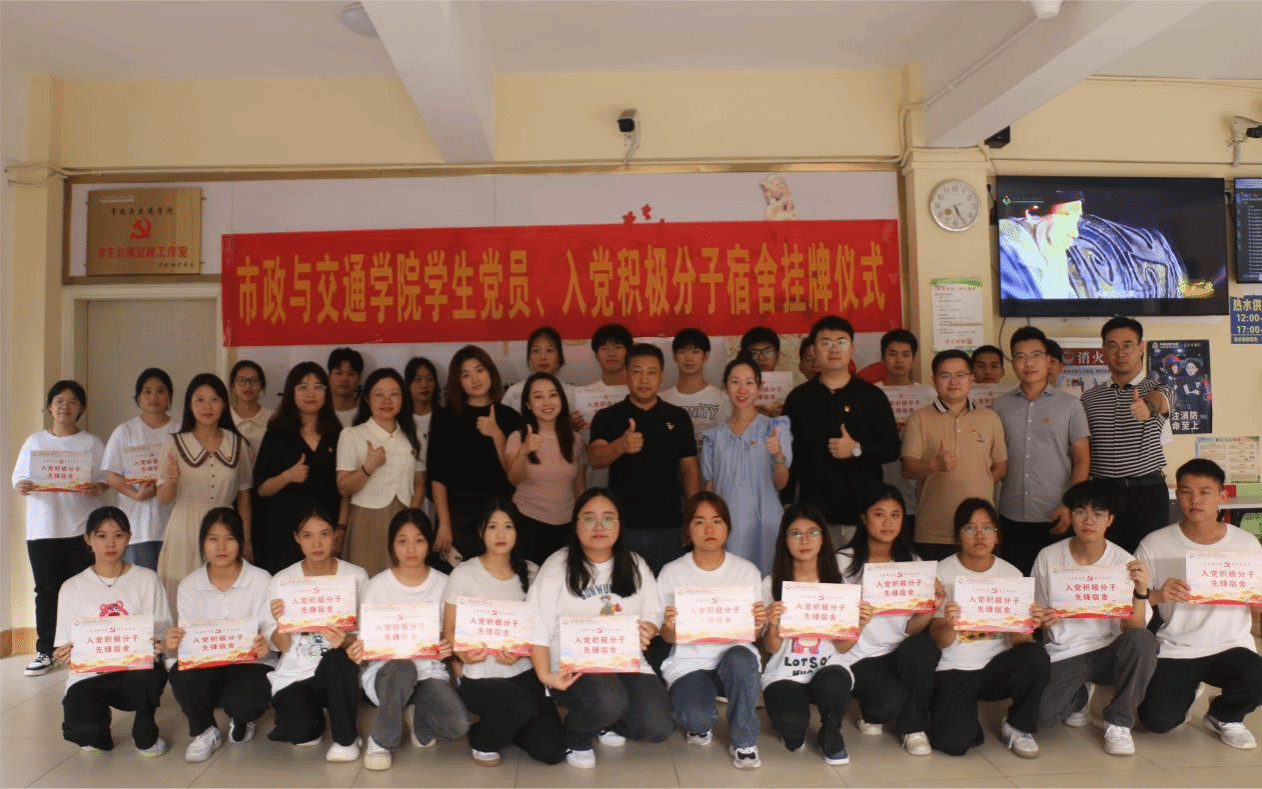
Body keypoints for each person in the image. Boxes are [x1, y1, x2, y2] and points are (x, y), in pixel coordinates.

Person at [527, 488, 673, 768]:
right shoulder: (557, 566)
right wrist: (546, 675)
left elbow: (653, 611)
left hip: (625, 661)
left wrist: (649, 628)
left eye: (607, 518)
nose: (599, 526)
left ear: (619, 524)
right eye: (589, 518)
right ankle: (577, 737)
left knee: (658, 726)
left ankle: (604, 721)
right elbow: (537, 626)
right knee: (609, 699)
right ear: (576, 525)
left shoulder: (634, 563)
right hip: (572, 665)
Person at [1136, 459, 1262, 750]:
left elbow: (1257, 608)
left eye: (1205, 492)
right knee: (1156, 722)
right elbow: (1132, 604)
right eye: (1186, 492)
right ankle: (1189, 690)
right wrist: (1156, 595)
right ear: (1177, 495)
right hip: (1178, 646)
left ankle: (1224, 716)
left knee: (1257, 677)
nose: (1195, 500)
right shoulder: (1154, 544)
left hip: (1232, 645)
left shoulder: (1247, 545)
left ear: (1222, 496)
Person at [1032, 480, 1158, 756]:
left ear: (1109, 520)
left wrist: (1140, 592)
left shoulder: (1123, 561)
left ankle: (1119, 722)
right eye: (1080, 512)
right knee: (1040, 716)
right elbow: (1035, 613)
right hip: (1066, 650)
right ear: (1070, 515)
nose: (1088, 521)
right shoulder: (1049, 556)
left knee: (1143, 641)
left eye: (1098, 514)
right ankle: (1079, 694)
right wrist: (1042, 618)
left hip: (1109, 650)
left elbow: (1134, 628)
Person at [442, 499, 566, 767]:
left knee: (552, 751)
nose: (500, 534)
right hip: (479, 674)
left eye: (508, 526)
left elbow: (544, 627)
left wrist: (523, 650)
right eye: (492, 527)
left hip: (524, 670)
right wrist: (462, 654)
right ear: (481, 532)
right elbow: (449, 630)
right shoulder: (464, 573)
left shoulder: (532, 572)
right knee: (521, 705)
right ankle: (481, 739)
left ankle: (510, 724)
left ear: (517, 531)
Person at [930, 499, 1050, 758]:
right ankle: (959, 715)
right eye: (970, 528)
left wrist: (1029, 624)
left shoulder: (1012, 574)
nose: (980, 536)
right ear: (958, 535)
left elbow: (1020, 641)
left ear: (997, 534)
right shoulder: (942, 572)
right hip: (955, 666)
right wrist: (950, 624)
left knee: (1036, 655)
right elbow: (939, 640)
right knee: (954, 744)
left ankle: (1018, 726)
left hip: (996, 666)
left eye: (987, 528)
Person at [657, 493, 766, 769]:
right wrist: (668, 626)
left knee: (742, 659)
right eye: (699, 522)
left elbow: (753, 634)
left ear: (727, 527)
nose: (709, 529)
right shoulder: (672, 572)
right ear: (687, 529)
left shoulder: (746, 571)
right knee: (696, 719)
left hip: (734, 660)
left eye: (717, 521)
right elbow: (666, 637)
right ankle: (700, 718)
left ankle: (744, 741)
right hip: (690, 663)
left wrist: (758, 623)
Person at [53, 506, 172, 756]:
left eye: (118, 535)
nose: (110, 544)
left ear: (129, 537)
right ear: (88, 539)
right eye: (101, 536)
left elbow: (162, 632)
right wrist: (65, 654)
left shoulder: (147, 579)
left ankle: (146, 731)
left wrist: (159, 644)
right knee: (86, 736)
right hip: (90, 675)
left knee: (150, 675)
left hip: (135, 673)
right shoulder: (72, 588)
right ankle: (98, 719)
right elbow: (64, 643)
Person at [836, 485, 942, 757]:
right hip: (859, 655)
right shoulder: (843, 562)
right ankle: (872, 713)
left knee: (923, 648)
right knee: (888, 704)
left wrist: (931, 606)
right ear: (864, 518)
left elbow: (910, 628)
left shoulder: (912, 562)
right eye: (879, 514)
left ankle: (914, 728)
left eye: (895, 515)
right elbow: (835, 631)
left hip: (898, 651)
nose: (888, 522)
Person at [360, 508, 468, 770]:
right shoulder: (377, 585)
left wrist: (446, 645)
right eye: (402, 541)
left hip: (428, 672)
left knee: (458, 725)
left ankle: (419, 719)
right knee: (402, 667)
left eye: (419, 540)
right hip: (387, 674)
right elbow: (367, 640)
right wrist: (359, 649)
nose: (411, 549)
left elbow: (454, 633)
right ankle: (381, 740)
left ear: (429, 543)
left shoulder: (445, 583)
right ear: (392, 545)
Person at [165, 508, 274, 762]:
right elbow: (189, 640)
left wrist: (265, 642)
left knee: (246, 701)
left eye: (229, 538)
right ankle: (205, 731)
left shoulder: (261, 579)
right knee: (180, 673)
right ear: (203, 543)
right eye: (213, 539)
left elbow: (270, 628)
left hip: (250, 663)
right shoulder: (189, 585)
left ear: (241, 541)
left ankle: (242, 718)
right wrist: (175, 642)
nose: (221, 547)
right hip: (207, 664)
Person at [13, 380, 106, 677]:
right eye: (59, 401)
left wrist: (98, 487)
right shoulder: (35, 442)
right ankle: (46, 650)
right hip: (43, 529)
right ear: (50, 407)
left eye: (72, 401)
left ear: (82, 408)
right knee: (46, 591)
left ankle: (87, 648)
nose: (65, 406)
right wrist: (23, 485)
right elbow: (18, 479)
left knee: (85, 589)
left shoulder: (92, 443)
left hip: (81, 529)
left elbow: (105, 480)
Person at [265, 504, 368, 762]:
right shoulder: (282, 581)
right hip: (297, 670)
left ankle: (346, 740)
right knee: (301, 735)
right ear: (297, 538)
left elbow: (369, 636)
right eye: (308, 536)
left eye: (324, 534)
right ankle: (318, 715)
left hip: (339, 668)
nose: (317, 543)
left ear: (336, 535)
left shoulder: (356, 576)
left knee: (336, 660)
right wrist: (280, 622)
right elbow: (282, 646)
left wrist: (346, 641)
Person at [761, 503, 858, 765]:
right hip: (785, 671)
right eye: (796, 533)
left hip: (828, 667)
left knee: (834, 682)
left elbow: (842, 647)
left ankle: (831, 733)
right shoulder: (771, 583)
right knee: (792, 730)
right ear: (784, 540)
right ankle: (793, 725)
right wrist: (773, 625)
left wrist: (859, 625)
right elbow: (771, 648)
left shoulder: (838, 583)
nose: (805, 540)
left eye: (813, 532)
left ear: (823, 538)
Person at [590, 343, 700, 572]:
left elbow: (689, 469)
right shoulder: (607, 416)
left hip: (670, 525)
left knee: (668, 589)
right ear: (626, 374)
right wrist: (620, 446)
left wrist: (692, 518)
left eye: (651, 372)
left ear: (662, 376)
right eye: (637, 372)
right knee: (624, 588)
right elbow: (595, 458)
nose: (644, 379)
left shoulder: (678, 417)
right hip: (622, 526)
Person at [783, 315, 900, 528]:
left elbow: (892, 449)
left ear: (852, 349)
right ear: (814, 350)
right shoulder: (798, 399)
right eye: (826, 343)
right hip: (814, 514)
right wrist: (787, 500)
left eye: (841, 342)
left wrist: (856, 448)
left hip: (863, 513)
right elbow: (792, 456)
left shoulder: (873, 396)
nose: (834, 349)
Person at [993, 326, 1091, 575]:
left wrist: (1071, 505)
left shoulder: (1070, 405)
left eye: (1036, 355)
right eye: (1020, 356)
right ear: (1013, 364)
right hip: (1011, 514)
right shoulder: (1000, 406)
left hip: (1057, 513)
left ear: (1049, 361)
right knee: (1017, 583)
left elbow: (1082, 459)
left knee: (1056, 585)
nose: (1029, 363)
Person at [156, 373, 253, 610]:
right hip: (185, 528)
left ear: (224, 404)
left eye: (214, 399)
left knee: (225, 594)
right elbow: (163, 499)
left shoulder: (237, 443)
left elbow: (244, 496)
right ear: (189, 405)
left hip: (225, 530)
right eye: (199, 400)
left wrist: (245, 538)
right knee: (182, 594)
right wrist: (170, 481)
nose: (207, 407)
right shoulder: (174, 443)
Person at [1080, 316, 1174, 553]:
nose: (1120, 352)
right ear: (1104, 350)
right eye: (1112, 345)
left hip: (1147, 494)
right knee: (1104, 561)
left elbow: (1162, 400)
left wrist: (1148, 407)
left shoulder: (1158, 388)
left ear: (1141, 347)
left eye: (1128, 345)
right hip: (1102, 495)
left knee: (1147, 562)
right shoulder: (1089, 399)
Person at [901, 350, 1007, 561]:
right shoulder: (919, 418)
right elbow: (908, 468)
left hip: (980, 530)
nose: (954, 382)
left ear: (971, 378)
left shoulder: (990, 418)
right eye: (945, 376)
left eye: (960, 375)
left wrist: (978, 483)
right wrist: (934, 465)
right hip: (934, 530)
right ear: (934, 379)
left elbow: (1001, 466)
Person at [428, 345, 521, 562]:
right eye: (466, 374)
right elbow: (438, 476)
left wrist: (497, 435)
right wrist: (444, 523)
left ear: (490, 372)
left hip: (499, 515)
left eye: (480, 370)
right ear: (458, 381)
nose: (475, 379)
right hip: (458, 517)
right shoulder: (445, 417)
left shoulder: (510, 417)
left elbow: (515, 476)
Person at [701, 355, 791, 572]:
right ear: (725, 386)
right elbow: (710, 489)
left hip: (766, 523)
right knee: (730, 580)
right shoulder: (714, 437)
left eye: (749, 382)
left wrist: (778, 454)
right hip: (727, 525)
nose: (742, 389)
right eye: (735, 382)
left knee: (766, 580)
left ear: (759, 386)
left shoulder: (774, 428)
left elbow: (782, 483)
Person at [255, 362, 345, 575]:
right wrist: (287, 476)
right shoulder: (276, 434)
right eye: (303, 387)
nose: (310, 393)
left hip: (324, 535)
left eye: (318, 387)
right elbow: (261, 489)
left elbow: (345, 490)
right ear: (291, 392)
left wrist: (340, 529)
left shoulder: (337, 434)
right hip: (284, 532)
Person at [336, 368, 424, 576]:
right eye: (379, 394)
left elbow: (420, 482)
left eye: (394, 394)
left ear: (403, 398)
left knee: (402, 579)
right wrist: (369, 467)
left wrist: (412, 517)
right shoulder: (352, 435)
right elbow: (343, 487)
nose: (387, 400)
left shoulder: (412, 434)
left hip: (405, 517)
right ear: (367, 398)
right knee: (367, 580)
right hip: (367, 519)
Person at [505, 372, 586, 565]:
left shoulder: (575, 439)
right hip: (527, 524)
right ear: (528, 404)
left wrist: (583, 522)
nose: (547, 402)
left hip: (567, 527)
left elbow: (580, 488)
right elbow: (513, 479)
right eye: (538, 396)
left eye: (553, 395)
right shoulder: (517, 438)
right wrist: (524, 451)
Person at [102, 368, 178, 571]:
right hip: (137, 526)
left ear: (170, 395)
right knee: (140, 585)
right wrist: (135, 495)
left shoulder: (180, 430)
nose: (154, 397)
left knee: (171, 585)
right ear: (138, 397)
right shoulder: (125, 431)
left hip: (173, 525)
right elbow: (110, 474)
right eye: (147, 391)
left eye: (160, 391)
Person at [873, 328, 935, 542]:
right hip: (882, 476)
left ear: (913, 359)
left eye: (905, 354)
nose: (899, 360)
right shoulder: (872, 393)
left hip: (917, 485)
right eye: (892, 354)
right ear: (882, 357)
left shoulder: (928, 395)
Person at [574, 323, 632, 488]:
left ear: (629, 352)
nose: (611, 353)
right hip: (594, 484)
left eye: (618, 347)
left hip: (631, 484)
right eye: (604, 348)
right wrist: (572, 428)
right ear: (596, 354)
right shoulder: (582, 395)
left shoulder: (640, 394)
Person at [998, 192, 1083, 300]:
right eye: (1066, 216)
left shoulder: (1055, 255)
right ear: (1031, 213)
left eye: (1077, 219)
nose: (1075, 233)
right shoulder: (1006, 248)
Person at [660, 327, 729, 453]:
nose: (689, 358)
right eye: (682, 351)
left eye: (695, 351)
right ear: (674, 356)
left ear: (706, 356)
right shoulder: (662, 399)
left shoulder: (722, 399)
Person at [501, 326, 579, 419]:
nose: (543, 357)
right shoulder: (514, 392)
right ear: (529, 356)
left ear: (559, 356)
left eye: (549, 350)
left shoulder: (573, 393)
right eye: (536, 350)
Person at [228, 360, 271, 460]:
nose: (248, 386)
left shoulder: (273, 418)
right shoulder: (223, 416)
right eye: (242, 381)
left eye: (254, 381)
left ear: (261, 386)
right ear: (233, 386)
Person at [327, 347, 365, 428]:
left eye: (351, 374)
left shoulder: (367, 417)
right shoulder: (317, 415)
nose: (344, 379)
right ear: (329, 377)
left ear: (359, 379)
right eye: (338, 373)